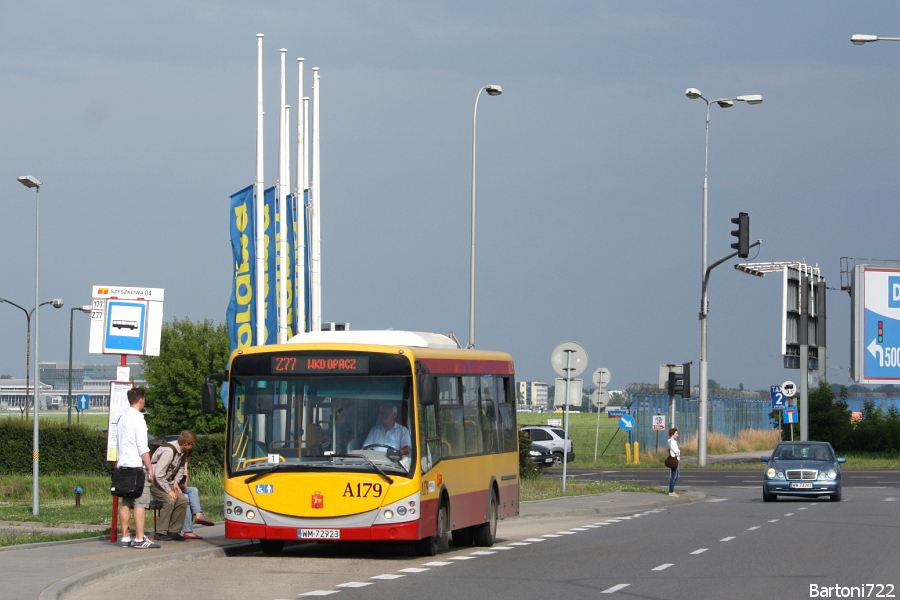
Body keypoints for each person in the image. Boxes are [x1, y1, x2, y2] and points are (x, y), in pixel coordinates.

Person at [116, 387, 160, 549]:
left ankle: (125, 537)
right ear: (141, 399)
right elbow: (143, 447)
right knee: (140, 502)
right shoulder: (139, 419)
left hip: (123, 466)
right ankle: (140, 538)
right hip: (136, 466)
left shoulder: (122, 418)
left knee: (126, 501)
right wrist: (150, 468)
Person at [149, 430, 196, 541]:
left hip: (168, 481)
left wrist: (176, 482)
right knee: (169, 500)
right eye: (192, 444)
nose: (193, 446)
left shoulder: (183, 452)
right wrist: (169, 491)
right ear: (185, 444)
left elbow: (180, 467)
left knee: (182, 500)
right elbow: (159, 474)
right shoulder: (168, 451)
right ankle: (161, 532)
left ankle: (173, 531)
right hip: (155, 482)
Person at [176, 455, 215, 539]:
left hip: (177, 490)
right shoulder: (172, 465)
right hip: (166, 492)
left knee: (193, 490)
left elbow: (184, 485)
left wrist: (185, 465)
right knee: (185, 497)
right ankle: (188, 531)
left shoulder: (180, 466)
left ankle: (198, 514)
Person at [667, 427, 681, 497]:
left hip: (676, 459)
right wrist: (677, 453)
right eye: (676, 433)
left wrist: (678, 454)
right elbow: (676, 450)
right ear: (672, 434)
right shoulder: (672, 442)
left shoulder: (672, 441)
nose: (677, 435)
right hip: (674, 460)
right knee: (674, 476)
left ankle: (671, 490)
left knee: (677, 476)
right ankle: (671, 491)